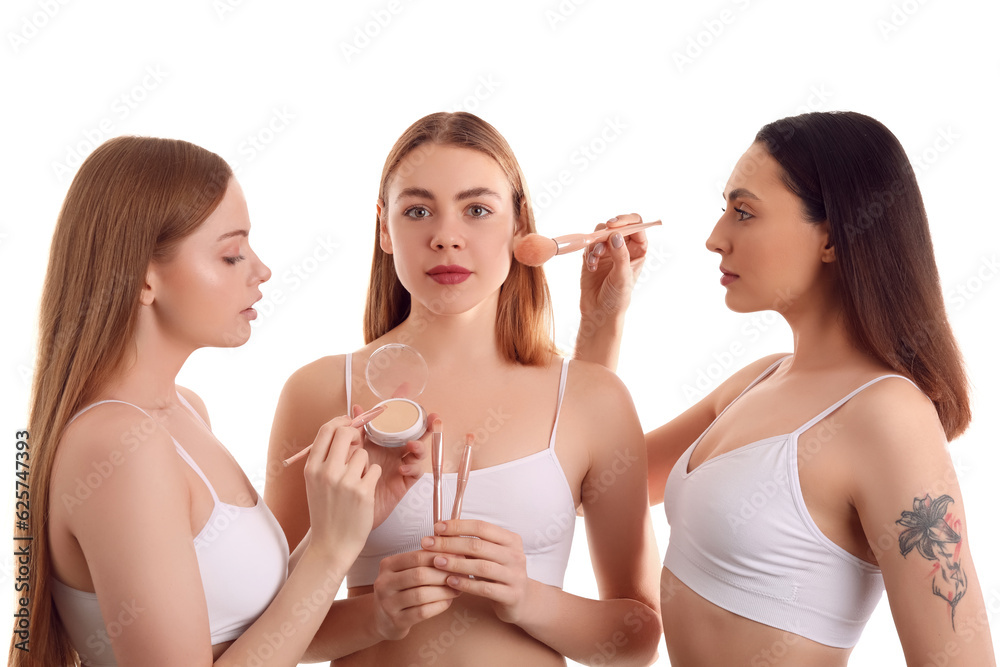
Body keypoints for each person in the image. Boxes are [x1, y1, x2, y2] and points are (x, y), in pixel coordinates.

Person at [575, 111, 997, 665]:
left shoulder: (887, 416)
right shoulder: (758, 380)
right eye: (724, 208)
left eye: (744, 212)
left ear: (832, 237)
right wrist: (601, 320)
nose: (714, 238)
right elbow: (596, 487)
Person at [265, 111, 662, 666]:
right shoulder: (321, 391)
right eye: (418, 210)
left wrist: (529, 600)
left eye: (477, 210)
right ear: (384, 227)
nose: (446, 237)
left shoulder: (594, 399)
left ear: (521, 227)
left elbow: (638, 639)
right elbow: (257, 629)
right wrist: (374, 617)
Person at [9, 136, 383, 667]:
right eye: (231, 254)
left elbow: (246, 640)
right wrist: (329, 551)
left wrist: (376, 598)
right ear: (143, 276)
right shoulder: (117, 447)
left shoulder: (184, 409)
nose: (262, 270)